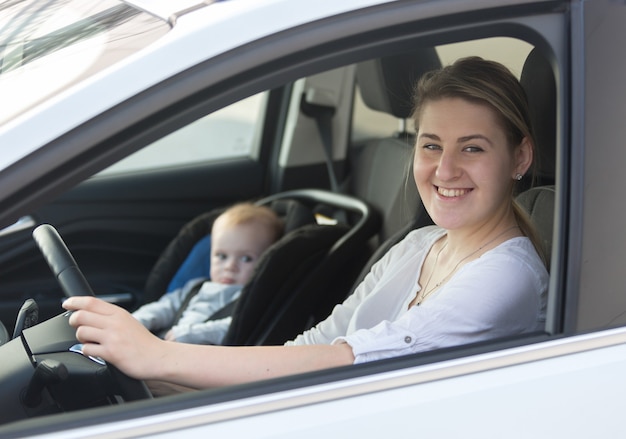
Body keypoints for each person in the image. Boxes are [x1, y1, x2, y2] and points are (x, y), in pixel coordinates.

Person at [63, 56, 549, 390]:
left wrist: (160, 356)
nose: (444, 170)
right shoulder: (421, 243)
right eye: (431, 144)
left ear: (519, 156)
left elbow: (354, 359)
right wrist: (166, 378)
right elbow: (322, 340)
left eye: (473, 147)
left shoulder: (507, 276)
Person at [132, 202, 284, 344]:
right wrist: (138, 321)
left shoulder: (251, 298)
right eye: (222, 256)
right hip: (169, 348)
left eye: (246, 258)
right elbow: (166, 306)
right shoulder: (195, 287)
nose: (230, 267)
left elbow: (235, 326)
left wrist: (192, 333)